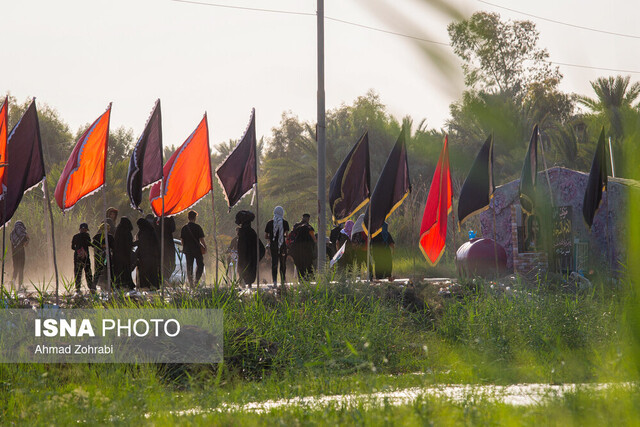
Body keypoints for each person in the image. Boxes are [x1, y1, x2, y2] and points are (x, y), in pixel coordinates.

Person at [236, 210, 264, 287]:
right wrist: (257, 257)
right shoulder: (251, 232)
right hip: (251, 257)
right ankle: (248, 284)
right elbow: (261, 247)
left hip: (244, 257)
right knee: (250, 269)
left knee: (243, 269)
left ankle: (245, 283)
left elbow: (240, 248)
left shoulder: (242, 233)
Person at [180, 210, 206, 286]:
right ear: (195, 218)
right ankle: (196, 281)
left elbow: (182, 241)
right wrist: (205, 247)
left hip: (188, 250)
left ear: (188, 217)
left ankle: (191, 283)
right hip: (197, 249)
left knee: (189, 266)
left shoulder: (184, 228)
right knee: (200, 265)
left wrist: (184, 247)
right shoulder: (198, 227)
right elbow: (201, 239)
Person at [264, 206, 289, 286]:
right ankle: (282, 281)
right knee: (283, 263)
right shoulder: (285, 222)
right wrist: (282, 236)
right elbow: (287, 235)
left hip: (273, 246)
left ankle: (275, 281)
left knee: (274, 263)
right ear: (282, 213)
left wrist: (272, 237)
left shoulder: (270, 223)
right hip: (282, 246)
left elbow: (266, 236)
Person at [136, 218, 161, 290]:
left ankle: (145, 287)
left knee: (145, 274)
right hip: (153, 257)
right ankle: (153, 286)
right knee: (153, 273)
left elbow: (142, 244)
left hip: (145, 258)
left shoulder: (144, 233)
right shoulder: (151, 231)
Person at [290, 213, 316, 280]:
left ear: (302, 218)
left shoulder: (296, 226)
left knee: (299, 265)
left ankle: (301, 279)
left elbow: (292, 236)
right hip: (307, 250)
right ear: (308, 219)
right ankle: (310, 279)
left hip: (297, 249)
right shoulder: (309, 228)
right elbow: (314, 239)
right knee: (309, 265)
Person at [113, 217, 135, 290]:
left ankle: (118, 284)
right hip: (125, 255)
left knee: (119, 270)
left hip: (118, 255)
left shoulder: (118, 231)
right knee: (126, 270)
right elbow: (129, 244)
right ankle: (127, 284)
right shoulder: (127, 232)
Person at [71, 223, 92, 294]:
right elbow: (89, 244)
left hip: (77, 257)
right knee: (88, 272)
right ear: (86, 230)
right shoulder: (87, 236)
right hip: (86, 257)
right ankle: (90, 287)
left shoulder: (75, 236)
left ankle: (78, 288)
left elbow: (72, 247)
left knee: (78, 272)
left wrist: (78, 250)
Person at [92, 223, 114, 290]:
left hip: (106, 255)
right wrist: (101, 246)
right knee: (100, 270)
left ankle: (111, 285)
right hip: (100, 255)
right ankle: (94, 285)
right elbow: (93, 245)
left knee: (108, 269)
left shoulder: (109, 237)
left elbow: (113, 246)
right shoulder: (98, 237)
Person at [10, 221, 29, 287]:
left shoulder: (12, 234)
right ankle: (20, 285)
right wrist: (28, 238)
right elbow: (25, 244)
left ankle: (13, 280)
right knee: (21, 269)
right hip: (21, 253)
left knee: (15, 268)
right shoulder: (23, 234)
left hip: (14, 254)